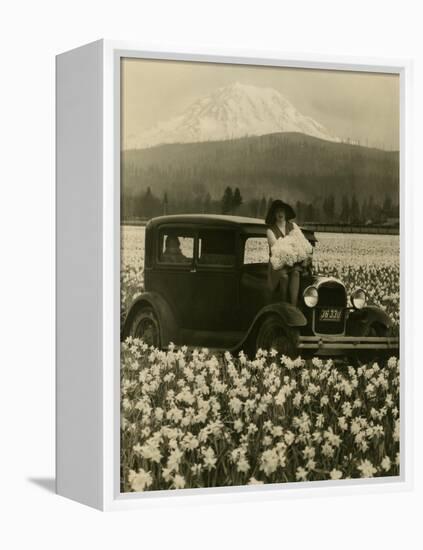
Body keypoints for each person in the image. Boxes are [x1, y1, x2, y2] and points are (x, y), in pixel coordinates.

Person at [265, 199, 308, 306]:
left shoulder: (293, 226)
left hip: (293, 262)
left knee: (296, 273)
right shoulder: (270, 230)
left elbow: (302, 243)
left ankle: (293, 307)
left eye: (282, 211)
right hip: (277, 265)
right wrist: (293, 245)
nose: (280, 214)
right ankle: (283, 306)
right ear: (274, 214)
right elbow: (277, 249)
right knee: (284, 277)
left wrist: (297, 251)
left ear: (286, 212)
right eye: (277, 211)